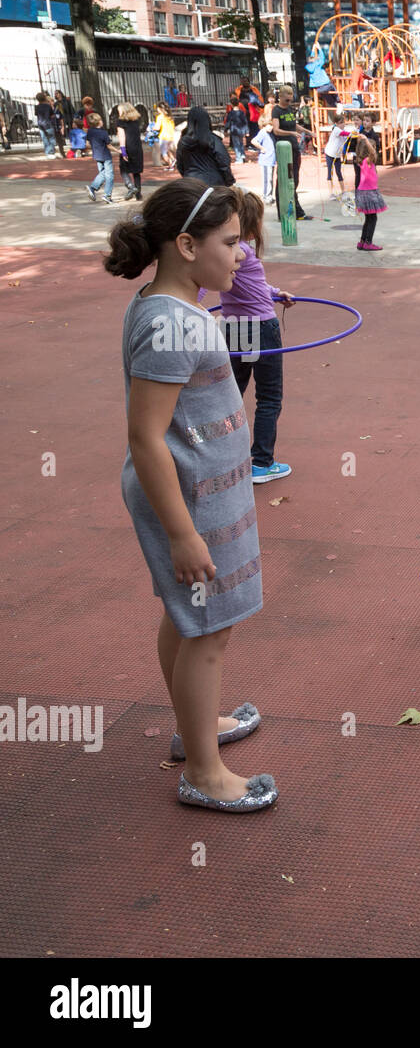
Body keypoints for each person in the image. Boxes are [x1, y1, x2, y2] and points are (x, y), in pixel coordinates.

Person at [103, 178, 277, 812]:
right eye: (231, 243)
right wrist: (183, 532)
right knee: (210, 630)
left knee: (190, 620)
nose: (241, 256)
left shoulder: (178, 310)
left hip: (208, 496)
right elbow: (146, 438)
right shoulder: (168, 325)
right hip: (191, 502)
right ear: (185, 245)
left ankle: (198, 731)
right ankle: (204, 772)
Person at [223, 191, 296, 482]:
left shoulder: (229, 251)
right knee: (268, 396)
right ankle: (262, 463)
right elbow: (200, 288)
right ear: (252, 224)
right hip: (260, 329)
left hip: (235, 327)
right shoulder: (244, 251)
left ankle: (225, 456)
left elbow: (251, 287)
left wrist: (275, 293)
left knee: (232, 394)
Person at [270, 85, 312, 221]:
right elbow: (276, 130)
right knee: (283, 180)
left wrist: (307, 131)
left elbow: (294, 124)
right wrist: (291, 133)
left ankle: (296, 210)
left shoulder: (289, 109)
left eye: (291, 99)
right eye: (286, 100)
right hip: (283, 149)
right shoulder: (276, 111)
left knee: (294, 180)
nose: (289, 102)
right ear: (280, 97)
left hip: (294, 148)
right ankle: (283, 212)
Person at [176, 105, 236, 189]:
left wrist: (187, 176)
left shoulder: (183, 142)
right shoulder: (213, 140)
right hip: (214, 183)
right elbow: (223, 161)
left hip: (191, 182)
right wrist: (229, 181)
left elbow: (180, 165)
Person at [354, 135, 387, 251]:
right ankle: (368, 242)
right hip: (369, 193)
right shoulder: (367, 161)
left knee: (369, 219)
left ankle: (362, 241)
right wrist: (367, 141)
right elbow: (373, 153)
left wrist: (363, 141)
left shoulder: (361, 161)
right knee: (373, 219)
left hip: (364, 192)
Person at [84, 113, 118, 203]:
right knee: (109, 176)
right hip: (106, 156)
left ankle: (93, 188)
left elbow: (87, 144)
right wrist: (118, 151)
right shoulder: (103, 133)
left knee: (103, 174)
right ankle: (107, 195)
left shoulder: (90, 131)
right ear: (99, 122)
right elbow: (109, 145)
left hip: (97, 155)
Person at [116, 104, 145, 202]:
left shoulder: (120, 122)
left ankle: (130, 186)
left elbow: (122, 137)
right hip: (137, 147)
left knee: (123, 169)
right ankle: (138, 194)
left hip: (127, 147)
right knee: (136, 172)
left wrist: (123, 151)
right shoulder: (135, 121)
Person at [323, 110, 351, 197]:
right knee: (330, 173)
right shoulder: (336, 130)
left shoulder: (343, 130)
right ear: (336, 123)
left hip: (337, 155)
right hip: (330, 154)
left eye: (343, 123)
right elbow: (344, 133)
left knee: (339, 172)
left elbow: (347, 136)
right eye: (340, 123)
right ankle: (331, 193)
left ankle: (343, 191)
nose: (342, 124)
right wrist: (351, 133)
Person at [224, 93, 249, 163]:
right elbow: (245, 122)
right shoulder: (241, 112)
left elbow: (228, 122)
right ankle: (243, 155)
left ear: (231, 104)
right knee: (241, 143)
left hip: (234, 131)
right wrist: (247, 131)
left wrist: (225, 130)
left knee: (236, 145)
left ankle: (239, 158)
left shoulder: (231, 113)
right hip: (241, 130)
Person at [34, 92, 58, 158]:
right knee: (51, 138)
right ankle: (51, 152)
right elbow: (52, 115)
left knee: (44, 138)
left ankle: (47, 152)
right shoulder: (48, 106)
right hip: (48, 123)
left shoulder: (37, 107)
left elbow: (36, 114)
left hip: (40, 123)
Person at [154, 105, 177, 170]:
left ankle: (170, 164)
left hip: (164, 136)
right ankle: (173, 160)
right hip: (171, 136)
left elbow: (157, 127)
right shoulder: (170, 117)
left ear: (160, 109)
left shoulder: (160, 117)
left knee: (163, 153)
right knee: (167, 150)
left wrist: (152, 128)